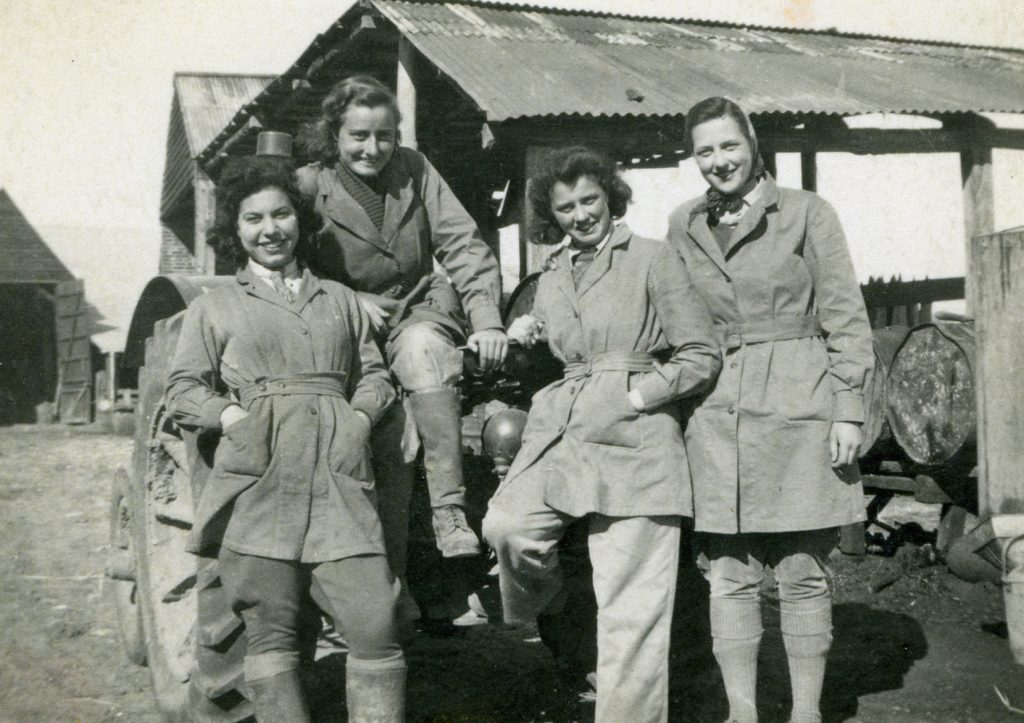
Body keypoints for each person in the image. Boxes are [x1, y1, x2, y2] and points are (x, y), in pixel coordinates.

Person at [165, 147, 405, 722]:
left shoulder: (341, 300)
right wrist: (231, 418)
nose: (270, 230)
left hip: (338, 479)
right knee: (270, 637)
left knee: (376, 623)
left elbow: (374, 375)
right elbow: (181, 389)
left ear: (299, 218)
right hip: (259, 485)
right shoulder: (215, 306)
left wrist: (359, 418)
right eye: (254, 219)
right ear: (235, 230)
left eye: (280, 215)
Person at [483, 146, 721, 722]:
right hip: (565, 428)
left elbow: (701, 354)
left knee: (630, 610)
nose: (580, 214)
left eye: (589, 199)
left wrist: (639, 395)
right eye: (565, 207)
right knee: (507, 527)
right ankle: (558, 598)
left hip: (638, 437)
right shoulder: (552, 275)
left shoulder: (653, 258)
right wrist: (525, 333)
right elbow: (565, 347)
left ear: (610, 198)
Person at [667, 97, 874, 723]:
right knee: (728, 573)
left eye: (729, 146)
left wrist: (849, 409)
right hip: (716, 413)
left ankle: (807, 713)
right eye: (704, 151)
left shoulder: (808, 213)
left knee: (801, 570)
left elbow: (845, 314)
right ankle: (742, 713)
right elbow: (671, 316)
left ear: (752, 144)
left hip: (798, 401)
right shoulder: (684, 224)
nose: (718, 161)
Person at [297, 74, 508, 571]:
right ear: (335, 136)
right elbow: (286, 262)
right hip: (343, 322)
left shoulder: (415, 169)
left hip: (418, 306)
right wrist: (347, 298)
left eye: (385, 136)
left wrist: (488, 321)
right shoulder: (310, 185)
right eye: (359, 136)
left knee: (423, 351)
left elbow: (462, 244)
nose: (373, 149)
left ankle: (449, 510)